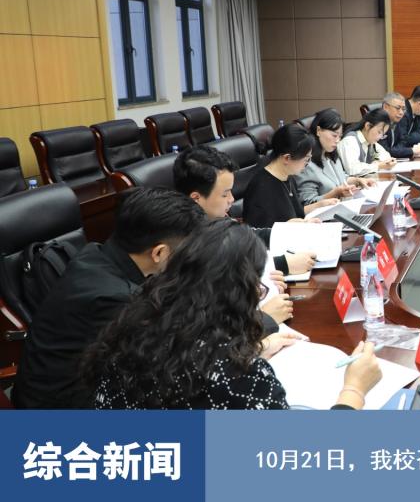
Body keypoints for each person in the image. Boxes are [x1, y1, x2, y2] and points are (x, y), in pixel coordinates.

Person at [84, 218, 382, 409]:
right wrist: (354, 389)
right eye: (259, 287)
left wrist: (253, 347)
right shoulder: (235, 373)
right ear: (239, 293)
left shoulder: (134, 322)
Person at [14, 188, 205, 409]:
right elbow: (154, 361)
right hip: (59, 407)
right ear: (159, 253)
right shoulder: (115, 299)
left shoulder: (96, 252)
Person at [172, 145, 313, 326]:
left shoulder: (214, 217)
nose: (232, 199)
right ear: (196, 198)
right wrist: (280, 265)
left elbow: (248, 235)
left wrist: (285, 230)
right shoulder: (187, 242)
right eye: (225, 194)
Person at [244, 123, 340, 228]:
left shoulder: (288, 176)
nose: (307, 165)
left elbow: (296, 213)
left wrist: (320, 205)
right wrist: (289, 227)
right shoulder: (261, 188)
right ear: (287, 158)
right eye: (306, 160)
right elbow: (259, 232)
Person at [296, 108, 375, 206]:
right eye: (334, 135)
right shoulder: (306, 163)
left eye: (340, 136)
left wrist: (357, 181)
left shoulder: (331, 155)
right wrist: (335, 193)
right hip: (324, 215)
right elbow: (307, 203)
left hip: (343, 208)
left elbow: (340, 178)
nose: (338, 140)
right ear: (318, 131)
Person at [340, 108, 395, 176]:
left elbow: (386, 156)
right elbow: (353, 169)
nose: (380, 137)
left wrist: (377, 161)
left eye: (383, 135)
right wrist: (378, 165)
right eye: (379, 132)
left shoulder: (370, 141)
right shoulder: (350, 141)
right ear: (368, 126)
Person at [380, 91, 420, 159]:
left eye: (403, 109)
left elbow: (403, 142)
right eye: (398, 108)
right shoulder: (378, 123)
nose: (401, 112)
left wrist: (407, 152)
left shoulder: (396, 121)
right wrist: (411, 151)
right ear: (385, 107)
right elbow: (385, 151)